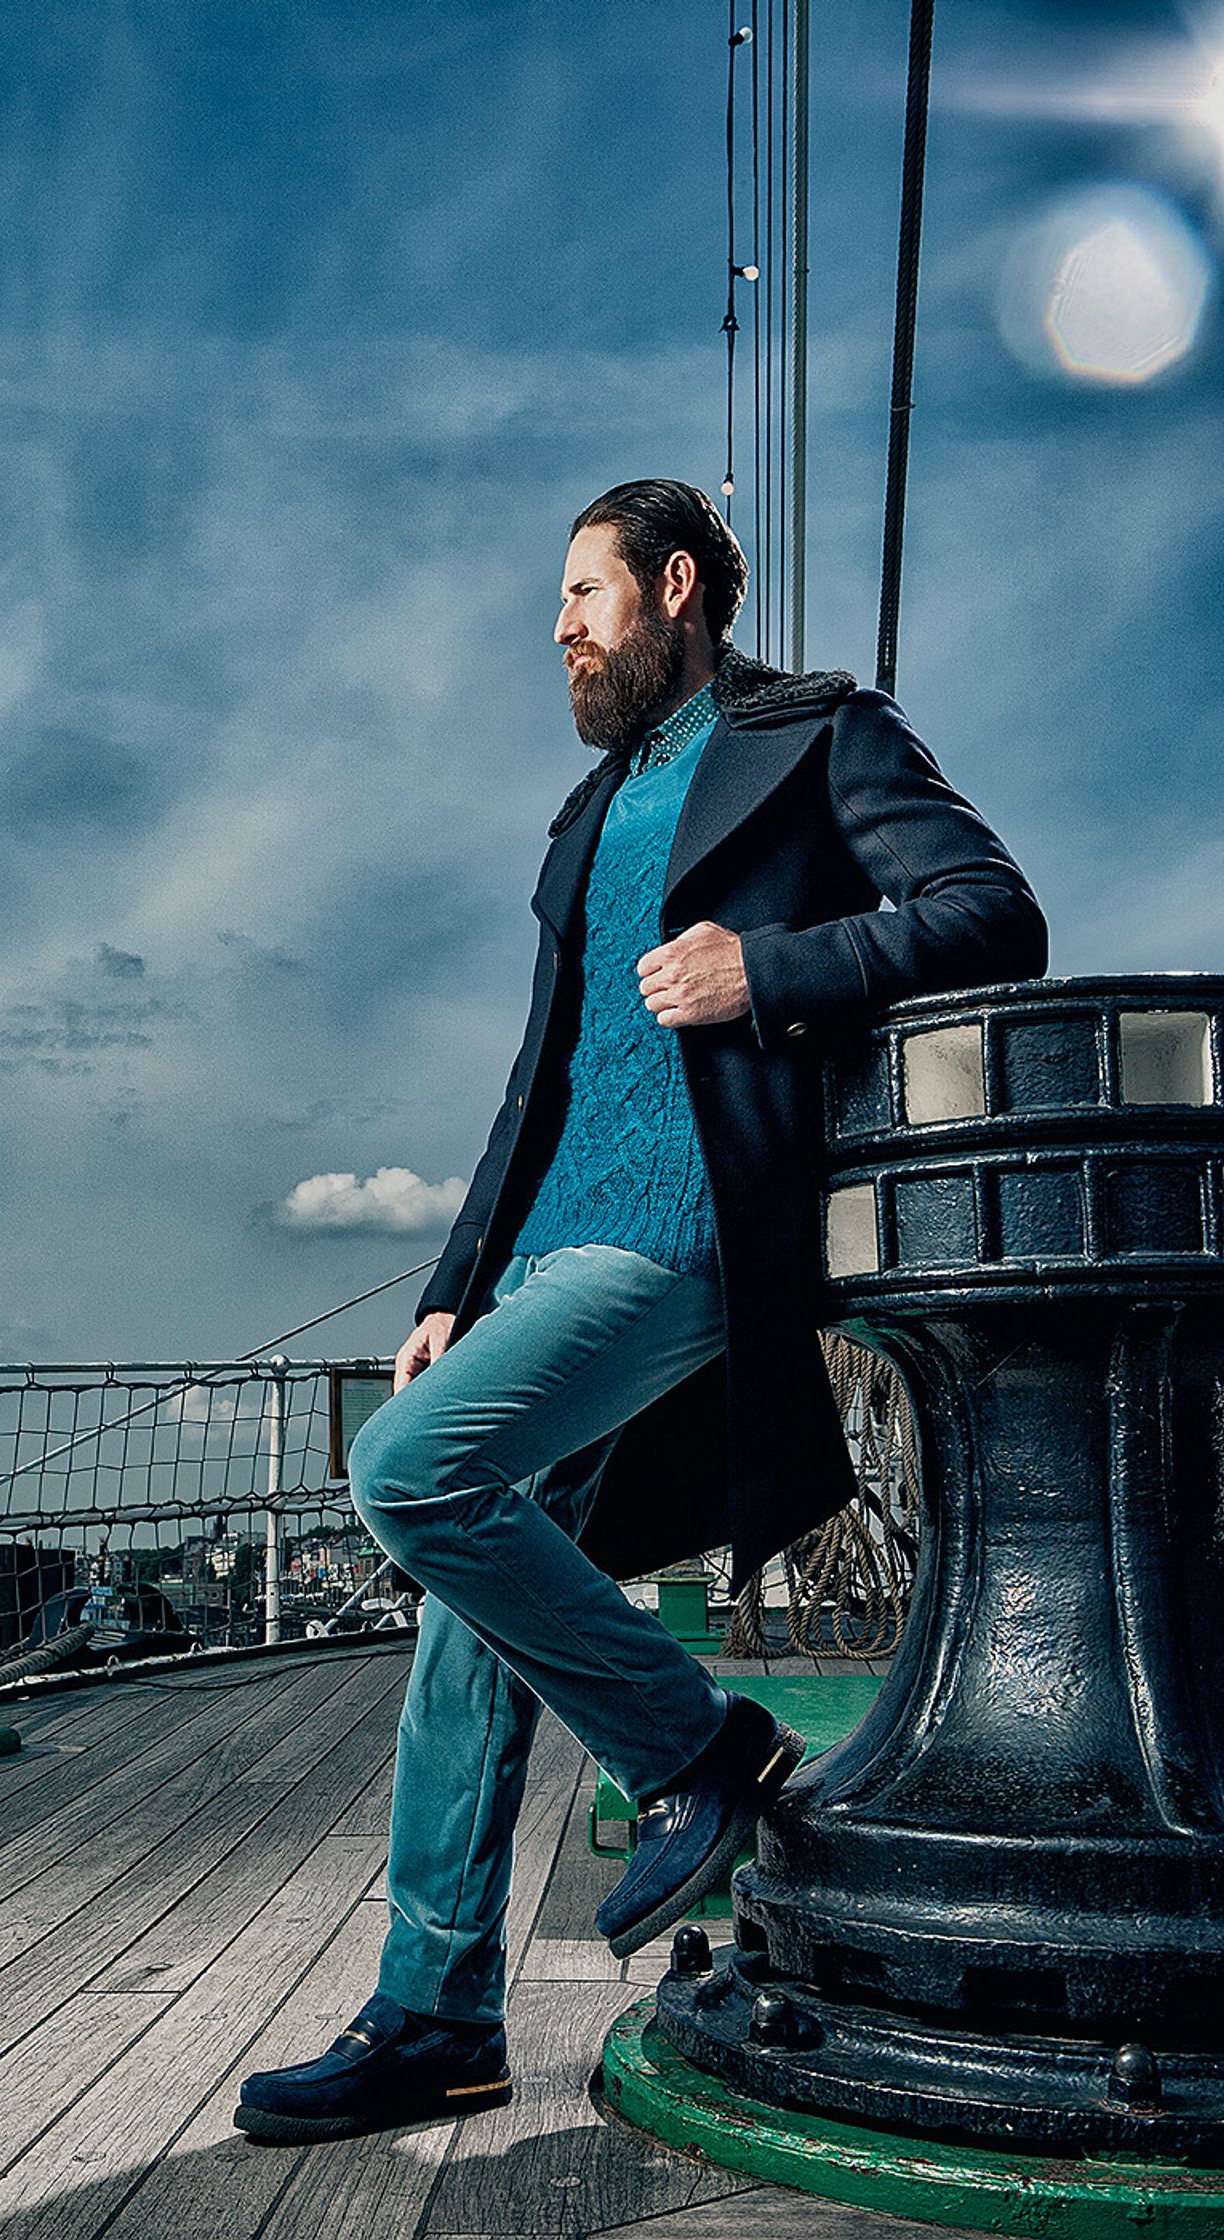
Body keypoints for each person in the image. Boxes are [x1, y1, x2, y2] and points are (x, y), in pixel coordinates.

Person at [234, 480, 1047, 2145]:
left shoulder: (820, 736)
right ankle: (434, 2019)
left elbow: (995, 916)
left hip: (690, 1231)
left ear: (674, 586)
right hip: (548, 1253)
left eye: (582, 594)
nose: (558, 626)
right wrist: (458, 1282)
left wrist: (775, 970)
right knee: (465, 1614)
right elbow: (536, 1081)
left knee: (409, 1478)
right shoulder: (585, 820)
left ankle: (691, 1751)